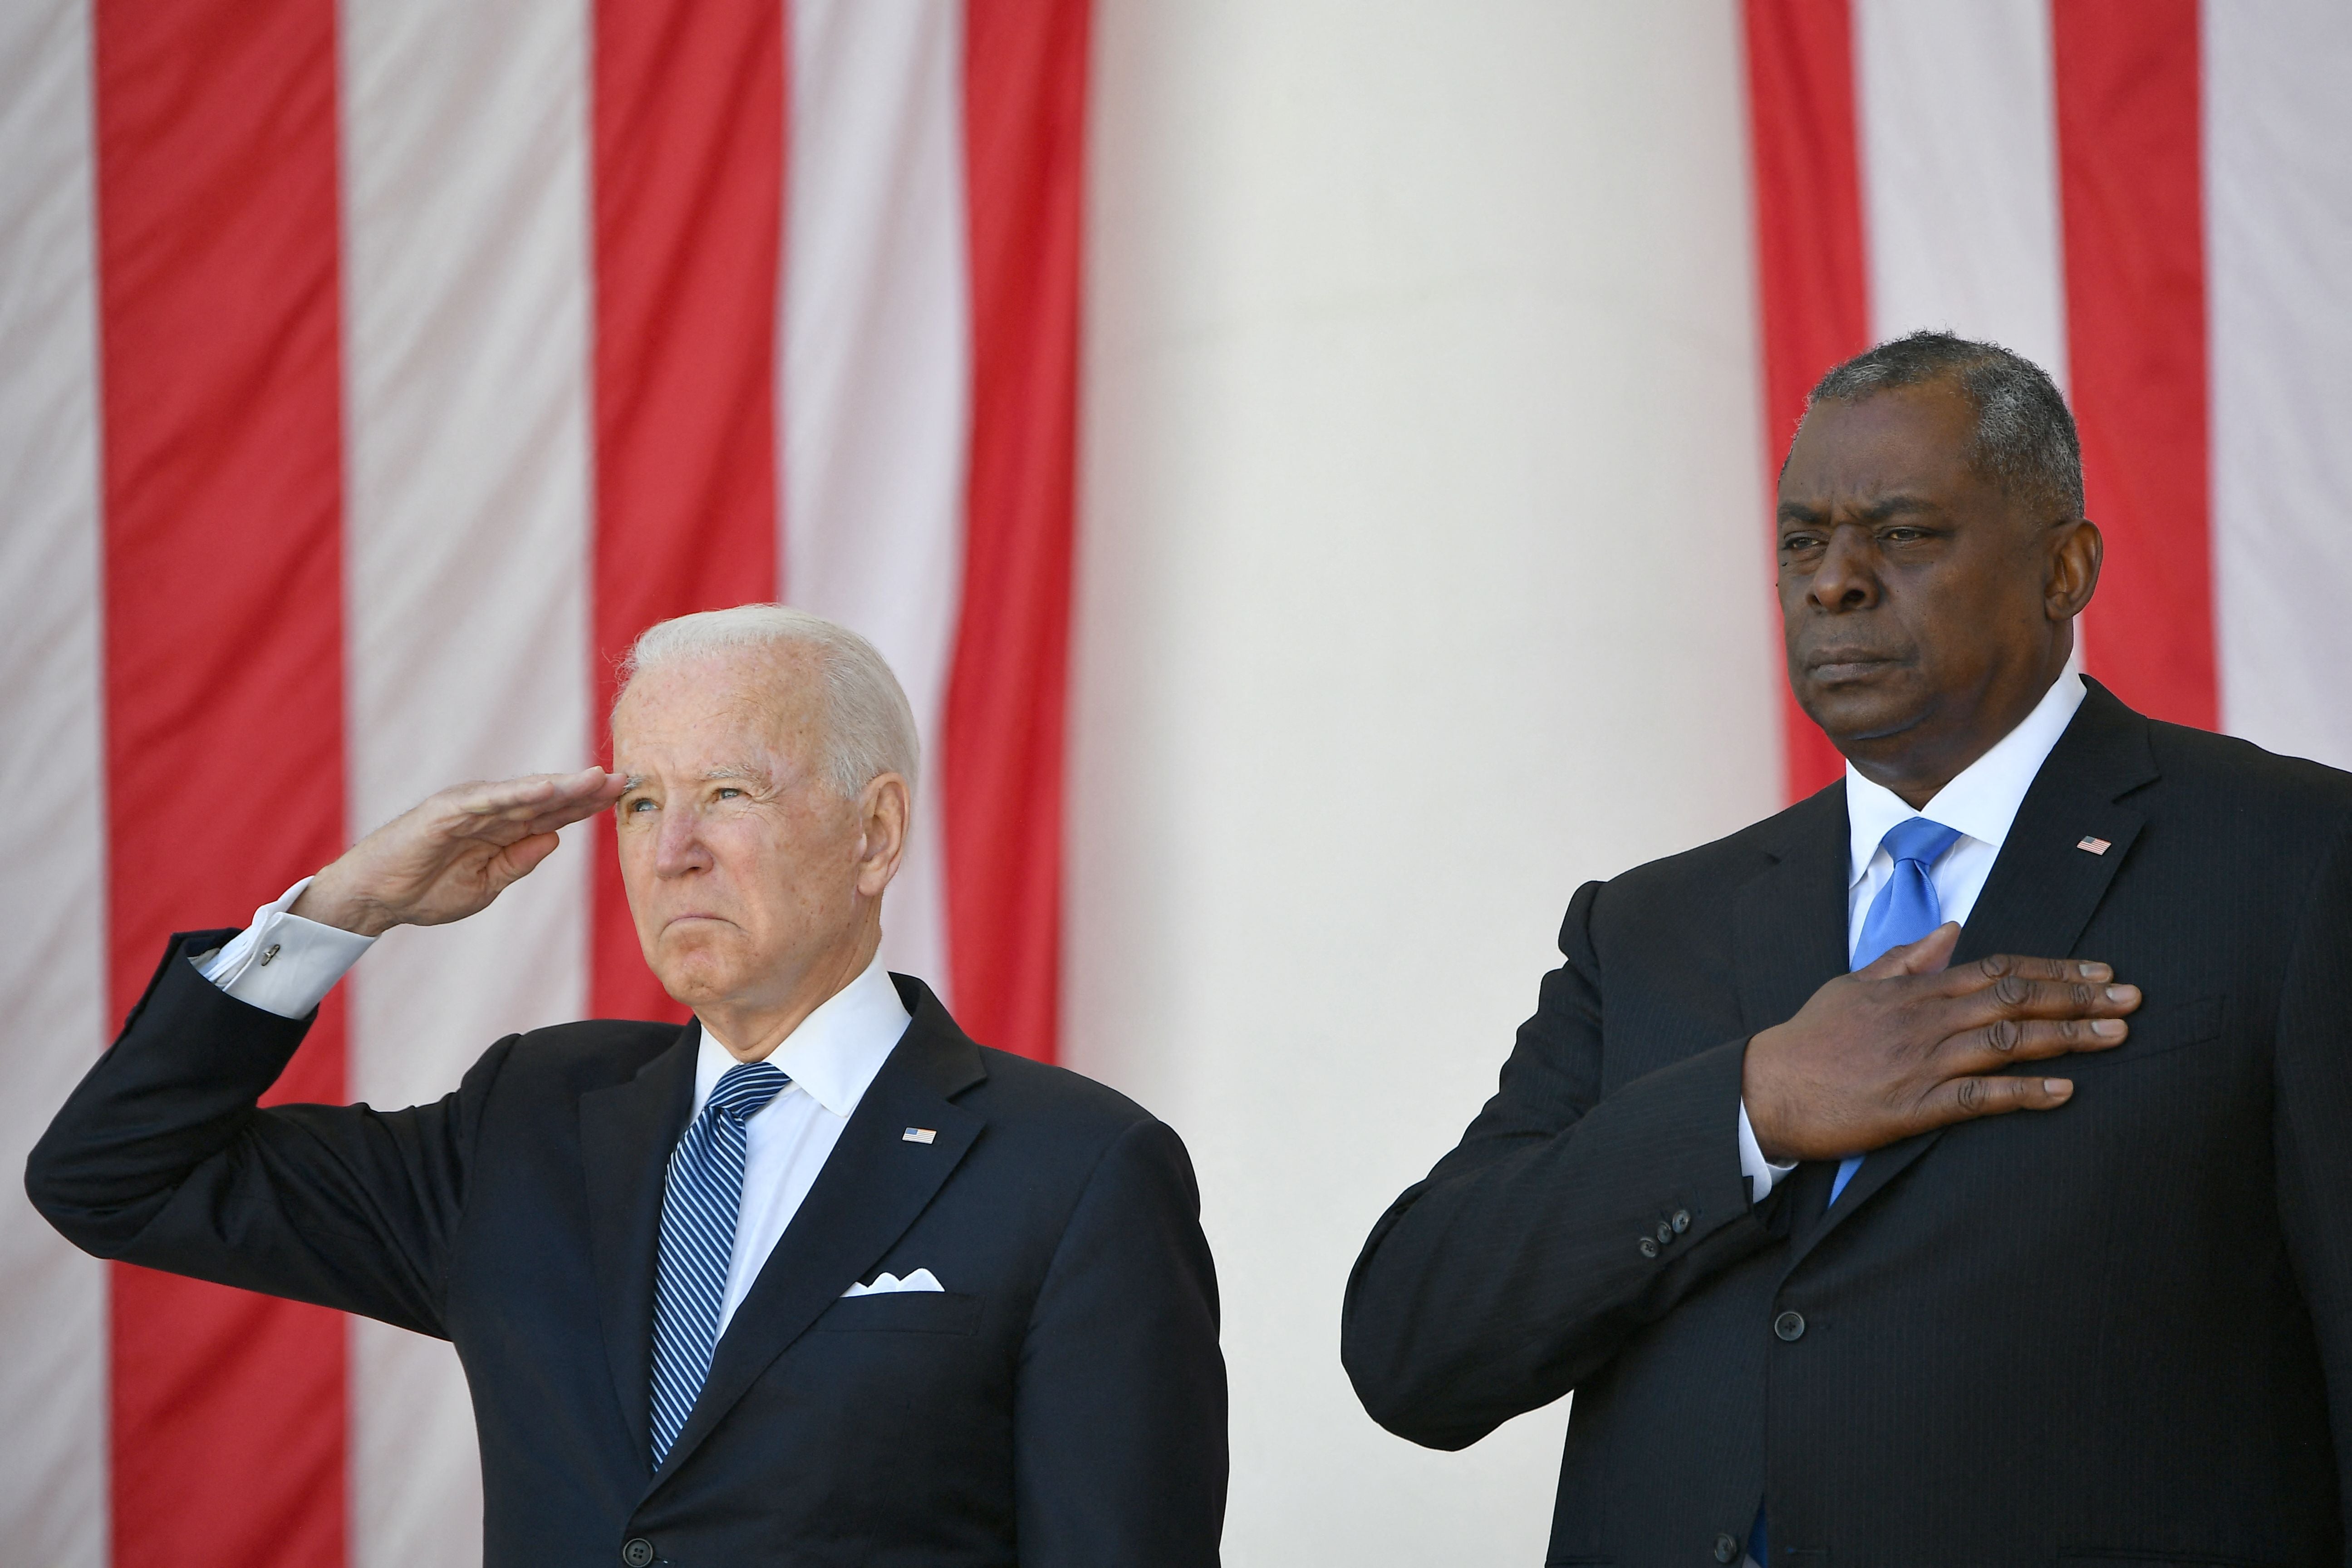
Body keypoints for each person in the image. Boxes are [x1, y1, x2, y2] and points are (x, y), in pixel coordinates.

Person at [1340, 333, 2352, 1565]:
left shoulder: (2296, 864)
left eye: (1905, 533)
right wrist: (1755, 1105)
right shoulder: (1651, 927)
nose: (1836, 583)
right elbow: (1414, 1348)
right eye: (1803, 542)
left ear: (2066, 570)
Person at [29, 605, 1226, 1568]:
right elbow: (114, 1178)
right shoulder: (531, 1120)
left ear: (875, 834)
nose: (670, 851)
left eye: (728, 794)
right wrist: (348, 907)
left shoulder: (1075, 1171)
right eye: (644, 800)